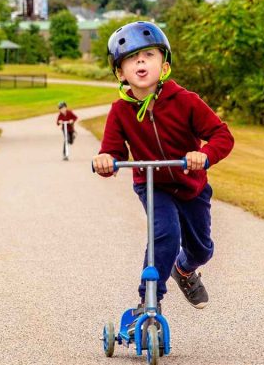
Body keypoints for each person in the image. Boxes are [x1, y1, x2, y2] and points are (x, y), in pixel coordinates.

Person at [92, 21, 234, 311]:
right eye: (131, 58)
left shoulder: (186, 102)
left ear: (164, 65)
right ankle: (149, 301)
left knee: (202, 249)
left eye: (148, 55)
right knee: (165, 235)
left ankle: (184, 270)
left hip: (192, 185)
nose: (140, 61)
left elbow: (222, 136)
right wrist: (106, 161)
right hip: (153, 185)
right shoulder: (120, 111)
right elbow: (113, 152)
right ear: (120, 73)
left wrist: (204, 154)